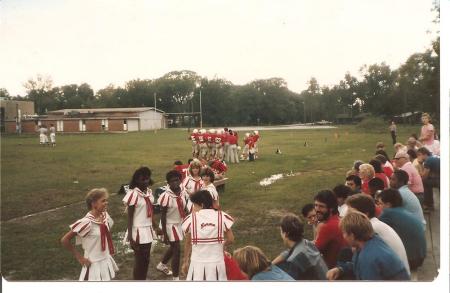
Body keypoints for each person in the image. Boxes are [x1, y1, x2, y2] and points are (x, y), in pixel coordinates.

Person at [326, 212, 410, 280]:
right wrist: (340, 269)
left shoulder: (368, 257)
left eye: (344, 233)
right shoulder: (372, 241)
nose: (343, 236)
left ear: (352, 235)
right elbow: (356, 265)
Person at [61, 188, 118, 281]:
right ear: (93, 203)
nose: (106, 203)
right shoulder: (86, 222)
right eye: (103, 201)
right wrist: (80, 258)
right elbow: (64, 240)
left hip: (105, 259)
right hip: (93, 264)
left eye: (106, 200)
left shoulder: (104, 216)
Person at [345, 194, 410, 274]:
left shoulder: (370, 228)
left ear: (366, 213)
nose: (347, 215)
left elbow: (363, 258)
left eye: (351, 212)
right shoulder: (375, 224)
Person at [182, 190, 235, 281]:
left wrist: (185, 261)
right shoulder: (221, 216)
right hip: (217, 262)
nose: (193, 208)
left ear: (201, 205)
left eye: (195, 205)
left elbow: (188, 242)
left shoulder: (191, 219)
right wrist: (221, 245)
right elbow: (231, 239)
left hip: (197, 262)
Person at [122, 167, 160, 280]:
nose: (145, 181)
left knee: (146, 259)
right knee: (139, 261)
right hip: (137, 231)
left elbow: (149, 211)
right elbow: (130, 216)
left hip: (147, 230)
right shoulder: (133, 194)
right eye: (142, 179)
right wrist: (130, 236)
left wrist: (155, 226)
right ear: (136, 180)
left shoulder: (148, 192)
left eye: (147, 179)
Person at [377, 189, 427, 272]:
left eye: (380, 203)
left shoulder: (387, 214)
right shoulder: (404, 211)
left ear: (388, 205)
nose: (378, 206)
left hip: (410, 260)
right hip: (419, 257)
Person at [272, 214, 328, 280]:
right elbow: (288, 252)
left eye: (281, 231)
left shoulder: (294, 260)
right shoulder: (307, 243)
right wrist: (271, 264)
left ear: (286, 234)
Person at [156, 170, 189, 280]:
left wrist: (188, 215)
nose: (175, 182)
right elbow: (163, 216)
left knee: (174, 247)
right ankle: (176, 278)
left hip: (178, 223)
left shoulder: (182, 191)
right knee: (177, 249)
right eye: (172, 181)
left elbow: (184, 206)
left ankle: (161, 264)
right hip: (169, 225)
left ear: (180, 180)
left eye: (177, 180)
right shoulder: (166, 196)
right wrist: (165, 234)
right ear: (168, 182)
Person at [313, 190, 347, 268]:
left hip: (331, 271)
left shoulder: (327, 227)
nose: (317, 209)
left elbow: (313, 252)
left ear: (331, 208)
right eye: (316, 205)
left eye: (321, 206)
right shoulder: (339, 219)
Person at [416, 147, 440, 211]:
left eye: (419, 155)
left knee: (424, 182)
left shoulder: (428, 160)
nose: (418, 157)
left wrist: (420, 164)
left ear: (424, 154)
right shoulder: (434, 156)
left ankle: (429, 205)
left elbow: (424, 176)